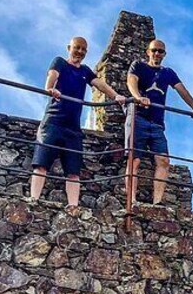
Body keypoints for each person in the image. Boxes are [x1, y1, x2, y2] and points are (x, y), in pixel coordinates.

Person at [30, 37, 127, 208]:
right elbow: (53, 74)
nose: (80, 52)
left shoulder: (85, 71)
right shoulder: (60, 62)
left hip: (73, 127)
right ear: (69, 48)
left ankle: (73, 207)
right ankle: (34, 200)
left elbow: (99, 84)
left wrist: (116, 96)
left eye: (83, 49)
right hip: (53, 121)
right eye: (77, 48)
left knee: (74, 171)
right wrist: (50, 88)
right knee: (41, 164)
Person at [125, 39, 193, 206]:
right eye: (154, 50)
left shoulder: (168, 72)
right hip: (138, 118)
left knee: (164, 161)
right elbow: (131, 81)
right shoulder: (138, 66)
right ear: (148, 51)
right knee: (135, 160)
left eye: (160, 51)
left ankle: (157, 202)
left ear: (164, 54)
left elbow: (182, 89)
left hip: (157, 123)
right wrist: (138, 98)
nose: (157, 54)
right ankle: (131, 200)